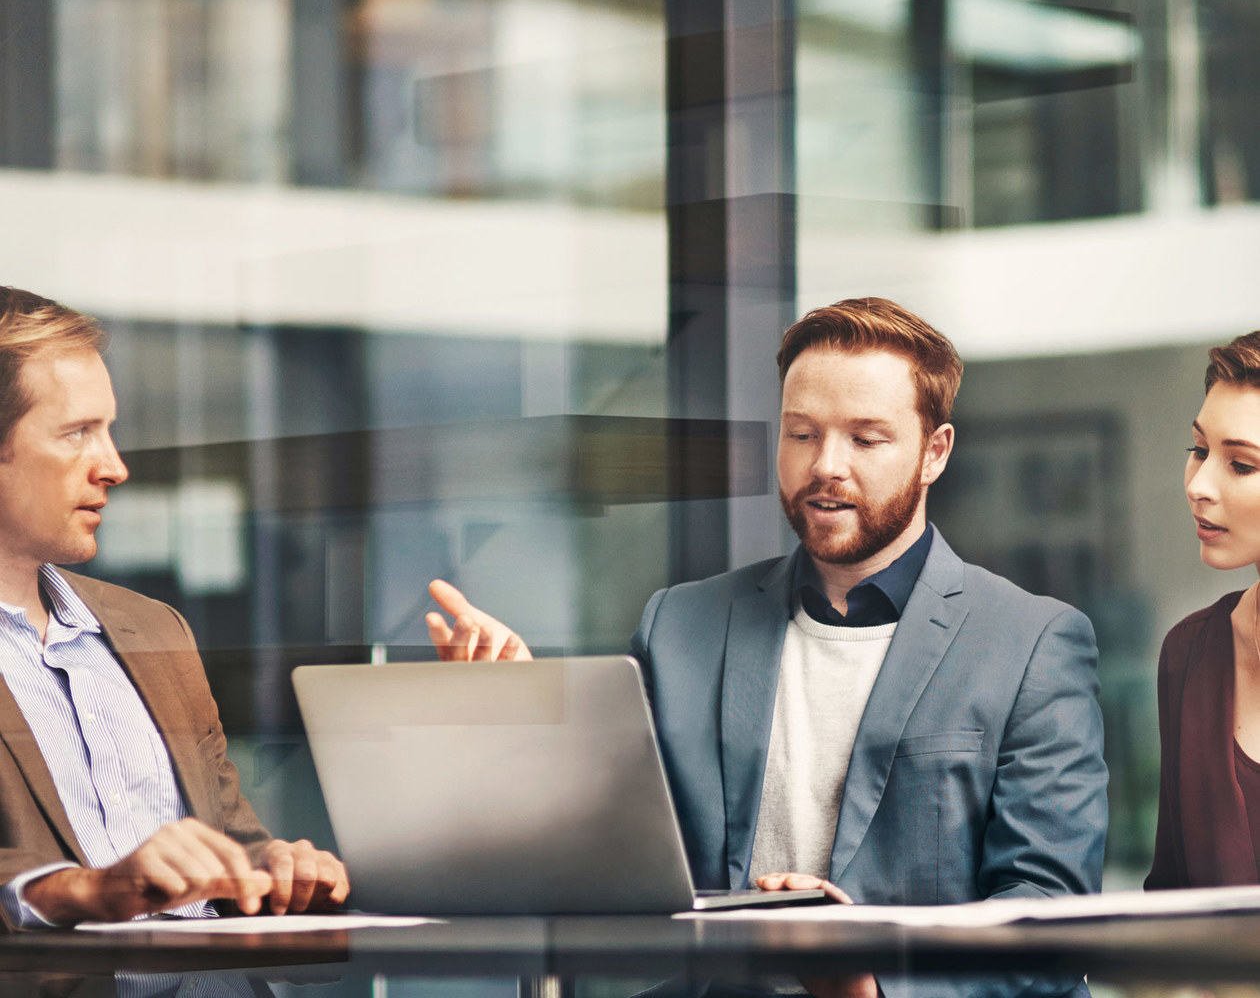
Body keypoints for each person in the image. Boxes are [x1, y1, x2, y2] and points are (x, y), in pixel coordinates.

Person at [425, 298, 1108, 935]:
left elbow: (1046, 910)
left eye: (866, 440)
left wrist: (866, 982)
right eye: (801, 433)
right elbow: (592, 850)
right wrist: (513, 714)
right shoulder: (679, 627)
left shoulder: (1031, 645)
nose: (825, 466)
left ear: (936, 453)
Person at [0, 286, 349, 930]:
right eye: (77, 433)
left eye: (109, 431)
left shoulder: (154, 631)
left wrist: (273, 867)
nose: (114, 467)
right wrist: (76, 892)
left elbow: (232, 839)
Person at [1148, 330, 1260, 888]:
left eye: (1241, 465)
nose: (1199, 484)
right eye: (1199, 451)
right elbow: (1169, 896)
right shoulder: (1189, 654)